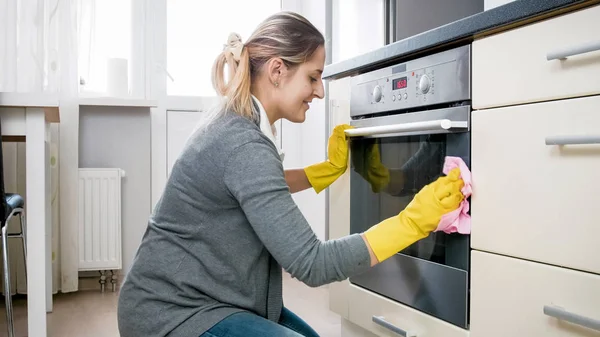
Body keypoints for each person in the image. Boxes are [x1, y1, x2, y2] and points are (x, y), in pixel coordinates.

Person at [117, 11, 465, 337]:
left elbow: (256, 189)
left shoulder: (238, 127)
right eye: (313, 77)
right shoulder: (243, 144)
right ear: (277, 70)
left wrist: (322, 172)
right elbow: (312, 263)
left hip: (213, 296)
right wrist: (413, 222)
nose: (320, 90)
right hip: (172, 313)